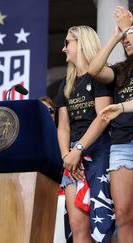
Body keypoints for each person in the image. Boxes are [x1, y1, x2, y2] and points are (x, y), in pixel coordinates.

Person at [55, 26, 114, 242]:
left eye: (68, 43)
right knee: (76, 225)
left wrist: (78, 150)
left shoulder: (99, 76)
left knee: (102, 223)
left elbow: (103, 117)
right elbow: (63, 127)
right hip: (72, 160)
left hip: (99, 153)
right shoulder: (65, 84)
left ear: (82, 44)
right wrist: (66, 157)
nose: (63, 49)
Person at [88, 6, 133, 242]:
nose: (127, 40)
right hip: (122, 144)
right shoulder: (121, 70)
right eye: (125, 38)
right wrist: (116, 36)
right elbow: (94, 69)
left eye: (130, 36)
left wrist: (128, 26)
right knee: (124, 214)